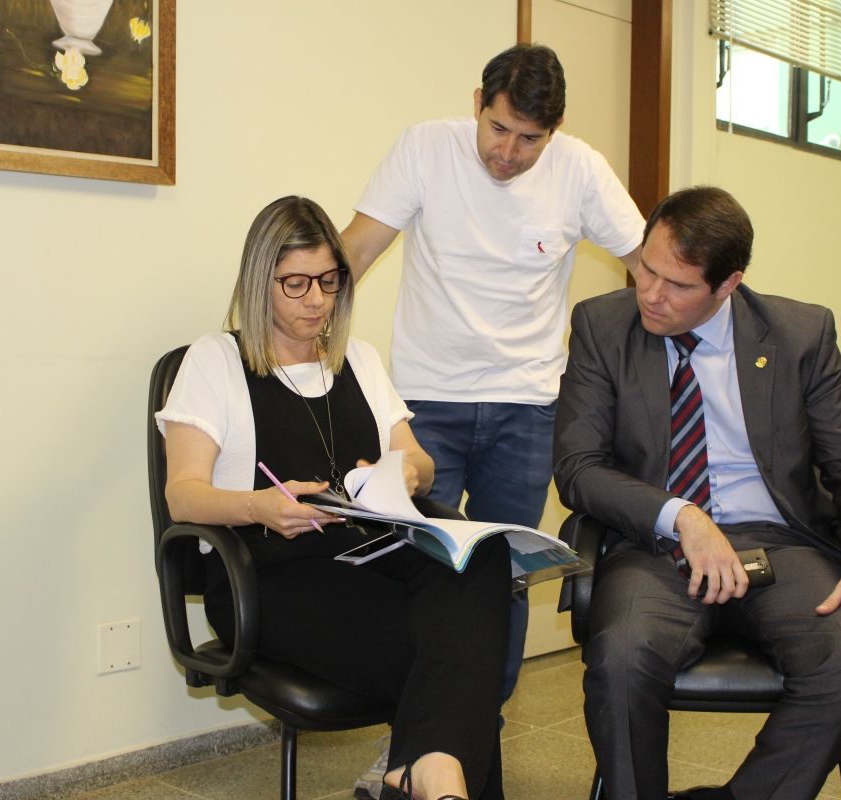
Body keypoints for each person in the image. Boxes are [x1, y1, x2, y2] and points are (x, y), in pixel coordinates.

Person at [341, 45, 645, 779]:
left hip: (528, 408)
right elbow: (353, 253)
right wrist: (285, 328)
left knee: (501, 577)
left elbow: (651, 267)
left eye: (529, 139)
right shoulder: (425, 148)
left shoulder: (580, 170)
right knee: (424, 569)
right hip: (427, 403)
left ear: (554, 131)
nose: (508, 153)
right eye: (499, 128)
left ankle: (472, 738)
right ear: (477, 102)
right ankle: (412, 738)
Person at [553, 186, 841, 800]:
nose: (651, 294)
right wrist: (682, 516)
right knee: (622, 659)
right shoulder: (602, 326)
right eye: (646, 270)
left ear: (728, 285)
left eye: (677, 285)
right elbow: (579, 467)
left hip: (782, 547)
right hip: (659, 546)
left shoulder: (800, 334)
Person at [156, 196, 509, 800]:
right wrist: (260, 507)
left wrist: (405, 474)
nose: (316, 300)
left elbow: (420, 461)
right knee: (453, 654)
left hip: (372, 556)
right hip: (268, 576)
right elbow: (182, 496)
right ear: (259, 281)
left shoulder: (359, 360)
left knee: (485, 557)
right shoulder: (214, 361)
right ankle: (430, 776)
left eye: (328, 281)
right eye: (295, 284)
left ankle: (421, 775)